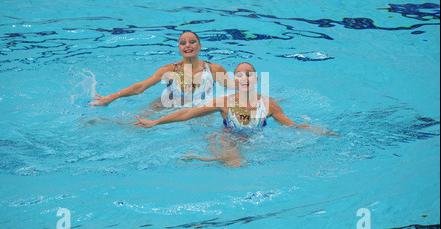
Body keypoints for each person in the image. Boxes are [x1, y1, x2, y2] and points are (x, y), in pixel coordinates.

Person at [134, 62, 341, 167]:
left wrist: (317, 131)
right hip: (224, 138)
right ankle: (208, 158)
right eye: (239, 75)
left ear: (256, 79)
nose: (245, 77)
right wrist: (155, 122)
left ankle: (205, 159)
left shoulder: (269, 106)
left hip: (253, 141)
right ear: (235, 80)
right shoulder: (224, 102)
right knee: (236, 163)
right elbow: (187, 113)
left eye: (249, 74)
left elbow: (292, 125)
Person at [89, 31, 234, 110]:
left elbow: (234, 89)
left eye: (192, 42)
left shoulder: (214, 69)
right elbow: (141, 87)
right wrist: (110, 98)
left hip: (199, 114)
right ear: (179, 48)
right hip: (167, 109)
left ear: (200, 47)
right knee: (135, 126)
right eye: (183, 43)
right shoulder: (170, 70)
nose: (187, 45)